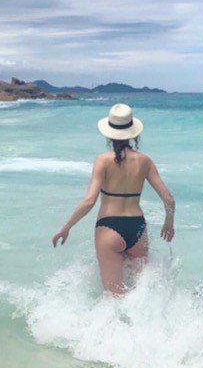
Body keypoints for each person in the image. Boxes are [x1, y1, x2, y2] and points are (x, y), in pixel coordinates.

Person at [52, 103, 175, 295]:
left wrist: (66, 228)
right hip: (138, 230)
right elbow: (169, 199)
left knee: (114, 297)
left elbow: (89, 201)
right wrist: (169, 223)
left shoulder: (103, 160)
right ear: (134, 133)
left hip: (109, 228)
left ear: (109, 134)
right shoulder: (145, 161)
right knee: (141, 295)